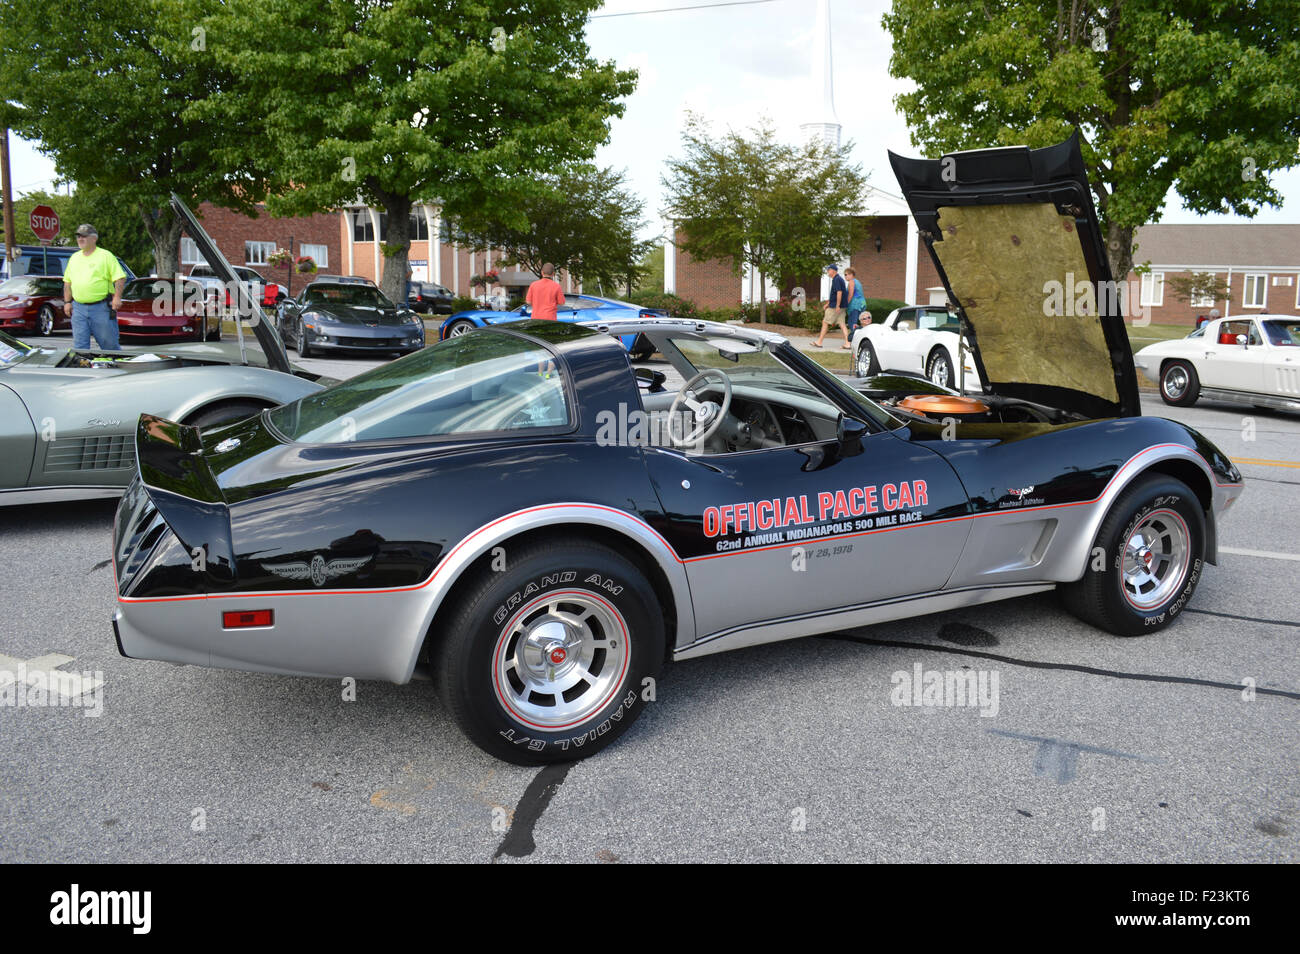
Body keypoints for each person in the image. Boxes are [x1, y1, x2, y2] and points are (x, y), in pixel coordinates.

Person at [62, 223, 126, 350]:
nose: (80, 239)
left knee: (109, 345)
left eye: (84, 236)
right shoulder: (74, 258)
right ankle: (84, 368)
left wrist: (117, 298)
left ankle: (114, 367)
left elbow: (120, 277)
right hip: (78, 308)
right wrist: (67, 302)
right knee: (80, 346)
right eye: (78, 236)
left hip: (101, 307)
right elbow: (67, 282)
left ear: (94, 238)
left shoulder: (106, 256)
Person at [813, 264, 850, 349]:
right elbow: (834, 294)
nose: (827, 272)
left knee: (825, 322)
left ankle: (819, 342)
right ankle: (848, 343)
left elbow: (839, 292)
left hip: (835, 307)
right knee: (842, 324)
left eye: (828, 270)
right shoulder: (838, 279)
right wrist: (828, 303)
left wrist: (837, 305)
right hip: (841, 306)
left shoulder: (836, 279)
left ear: (833, 270)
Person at [844, 267, 871, 335]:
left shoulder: (851, 282)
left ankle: (854, 338)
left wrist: (846, 304)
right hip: (862, 304)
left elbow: (850, 294)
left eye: (846, 274)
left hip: (855, 305)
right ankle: (863, 336)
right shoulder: (857, 281)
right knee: (862, 322)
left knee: (852, 323)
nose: (845, 276)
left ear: (851, 274)